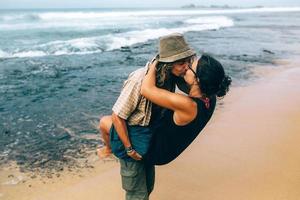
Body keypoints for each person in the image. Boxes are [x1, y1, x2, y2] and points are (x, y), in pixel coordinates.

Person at [98, 33, 196, 200]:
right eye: (181, 63)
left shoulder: (171, 76)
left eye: (188, 61)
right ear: (166, 64)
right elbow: (117, 116)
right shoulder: (139, 80)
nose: (186, 66)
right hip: (132, 139)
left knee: (148, 187)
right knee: (137, 194)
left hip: (149, 137)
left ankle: (107, 148)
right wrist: (129, 149)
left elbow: (194, 90)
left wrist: (190, 71)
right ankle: (108, 148)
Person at [141, 54, 231, 165]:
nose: (186, 66)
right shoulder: (210, 96)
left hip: (156, 152)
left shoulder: (188, 105)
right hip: (168, 150)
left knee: (113, 121)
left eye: (190, 67)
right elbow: (181, 82)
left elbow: (146, 89)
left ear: (197, 79)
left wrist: (157, 61)